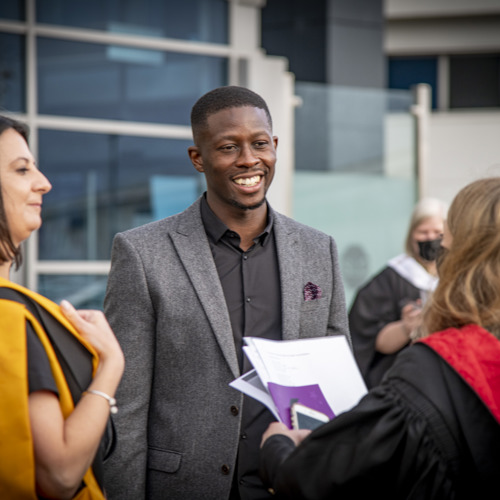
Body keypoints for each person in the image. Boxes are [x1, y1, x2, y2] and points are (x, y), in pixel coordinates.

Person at [103, 85, 350, 500]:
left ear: (274, 146)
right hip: (184, 487)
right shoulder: (141, 253)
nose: (249, 159)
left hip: (289, 483)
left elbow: (334, 383)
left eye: (259, 144)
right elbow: (125, 406)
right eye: (228, 147)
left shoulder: (318, 249)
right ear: (198, 158)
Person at [260, 177, 500, 499]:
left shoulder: (435, 372)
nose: (435, 245)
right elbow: (369, 337)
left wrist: (278, 448)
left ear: (460, 260)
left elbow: (319, 477)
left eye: (443, 238)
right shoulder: (388, 281)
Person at [0, 115, 125, 499]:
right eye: (22, 169)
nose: (44, 183)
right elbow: (60, 474)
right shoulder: (8, 317)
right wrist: (110, 365)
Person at [349, 197, 448, 388]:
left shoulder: (454, 278)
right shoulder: (389, 280)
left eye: (438, 233)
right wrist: (406, 327)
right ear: (411, 235)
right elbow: (368, 340)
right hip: (399, 380)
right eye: (423, 232)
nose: (430, 238)